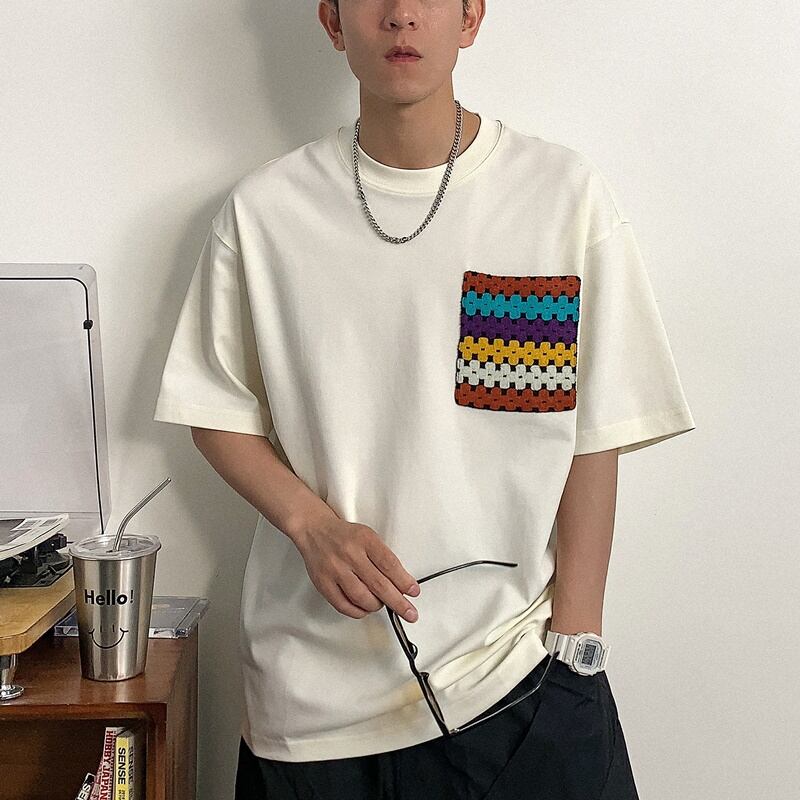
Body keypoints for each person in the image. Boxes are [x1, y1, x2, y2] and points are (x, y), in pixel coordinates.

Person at [153, 1, 696, 797]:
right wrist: (312, 526)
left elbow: (594, 429)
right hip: (313, 709)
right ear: (333, 22)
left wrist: (578, 644)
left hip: (521, 682)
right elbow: (216, 410)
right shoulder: (265, 212)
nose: (402, 14)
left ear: (471, 17)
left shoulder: (559, 196)